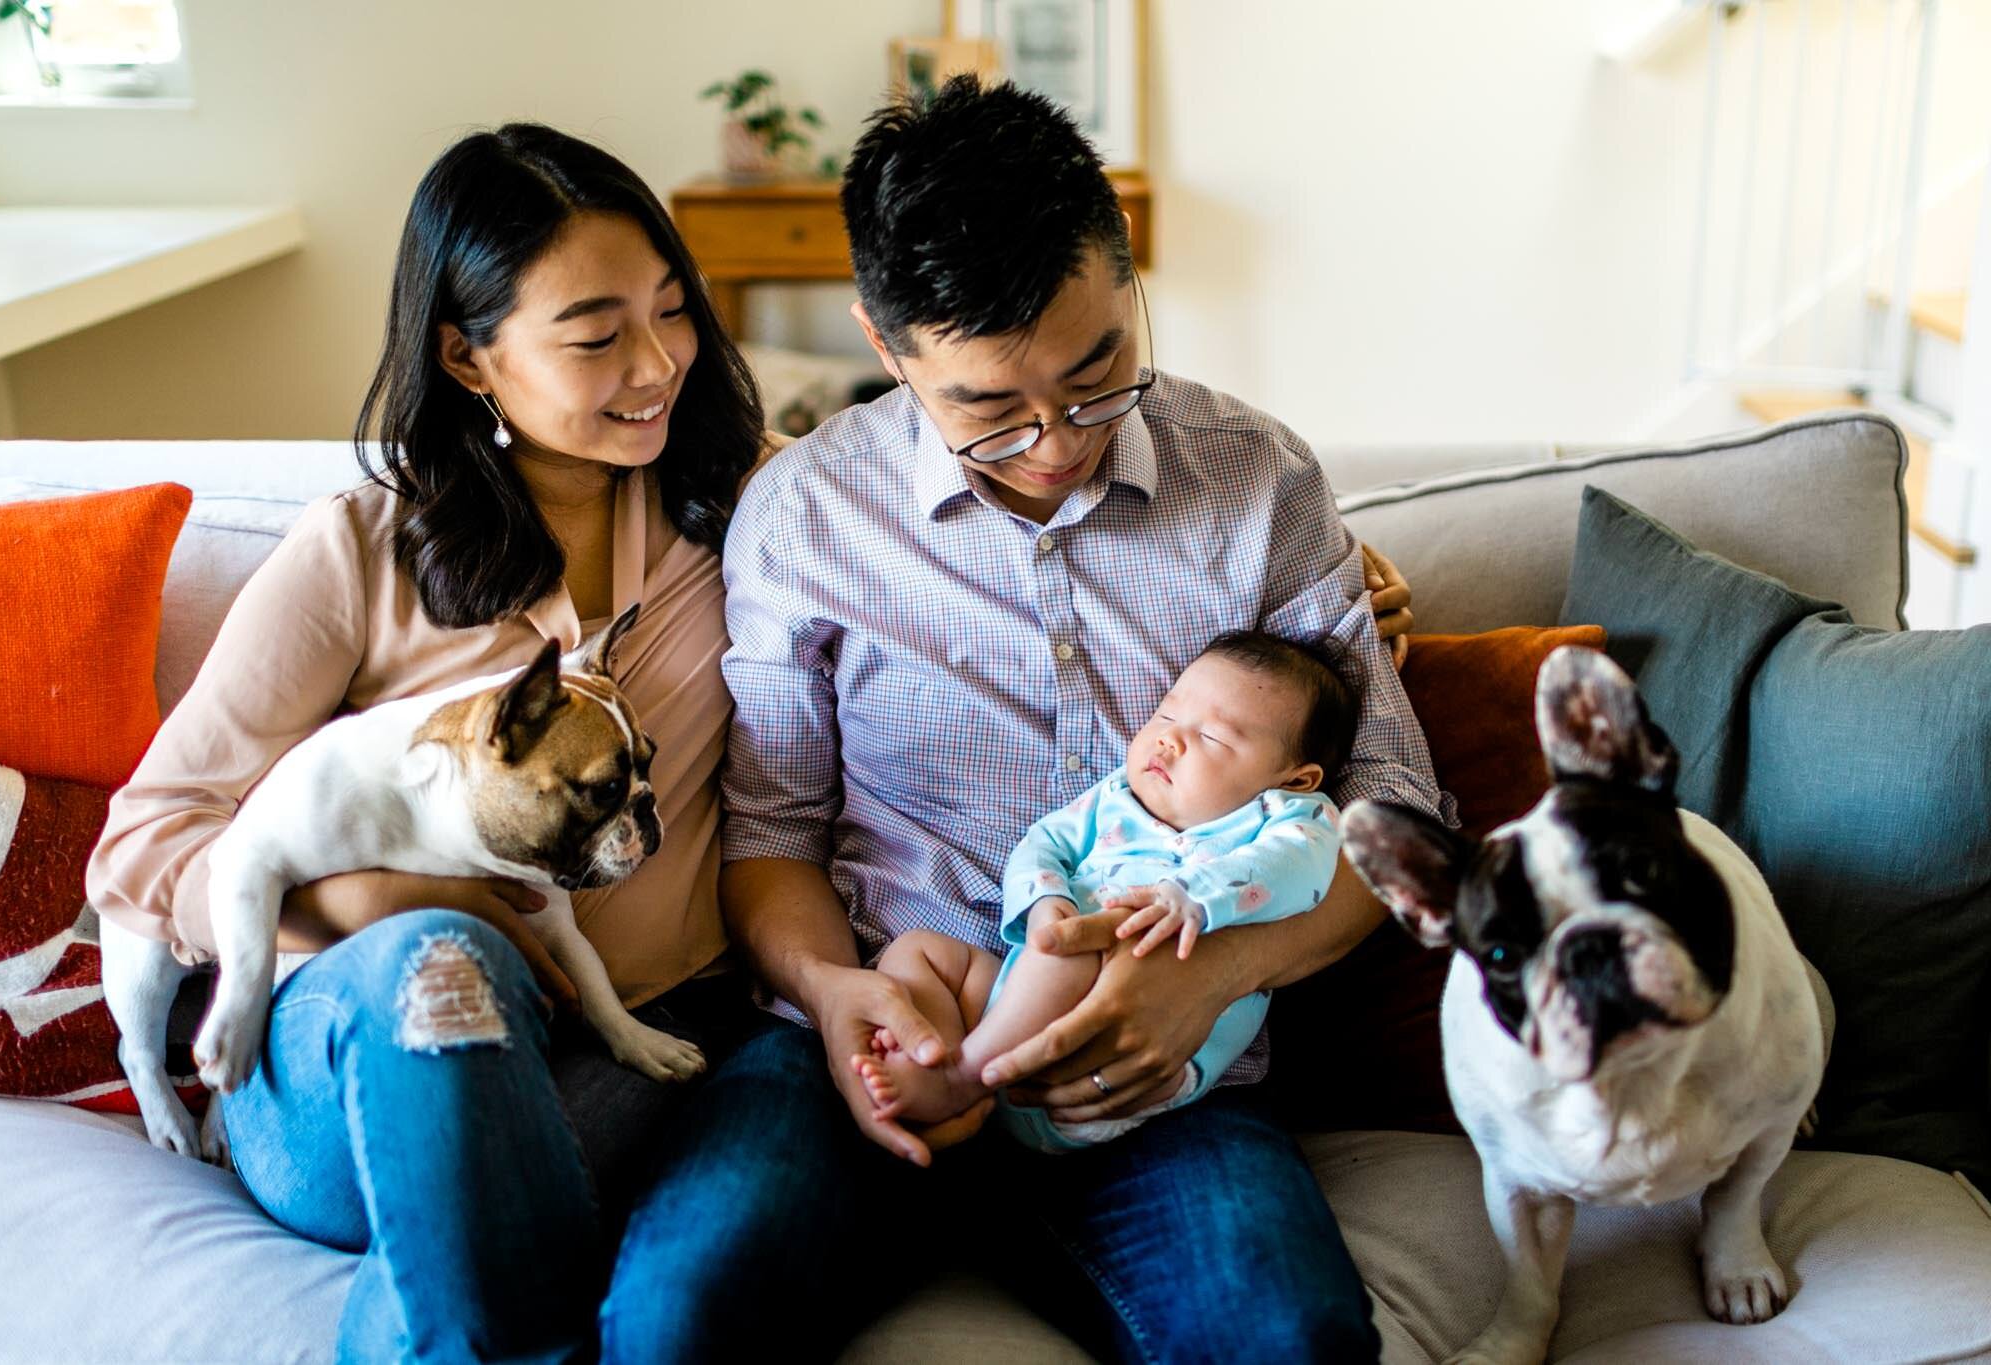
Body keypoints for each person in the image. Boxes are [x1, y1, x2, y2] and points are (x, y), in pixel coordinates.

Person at [604, 77, 1454, 1362]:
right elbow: (768, 837)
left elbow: (1395, 814)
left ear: (1125, 279)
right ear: (886, 351)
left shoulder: (1256, 478)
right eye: (987, 409)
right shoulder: (808, 516)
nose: (1055, 443)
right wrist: (836, 999)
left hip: (1160, 1070)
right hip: (881, 1030)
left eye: (1096, 370)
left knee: (1287, 1338)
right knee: (675, 1317)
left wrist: (1210, 980)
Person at [86, 123, 767, 1363]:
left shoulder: (754, 520)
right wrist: (370, 899)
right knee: (442, 958)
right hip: (347, 1068)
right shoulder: (361, 549)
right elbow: (146, 838)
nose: (659, 360)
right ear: (466, 356)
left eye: (673, 310)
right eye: (596, 332)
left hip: (625, 1042)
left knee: (560, 1250)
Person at [855, 630, 1358, 1153]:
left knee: (1076, 948)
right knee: (921, 951)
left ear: (1295, 779)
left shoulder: (1295, 817)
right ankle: (932, 1055)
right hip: (1015, 1007)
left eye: (1214, 737)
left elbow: (1296, 870)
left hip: (1126, 1058)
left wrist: (1190, 894)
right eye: (1166, 714)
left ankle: (962, 1080)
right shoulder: (1118, 794)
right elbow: (1044, 842)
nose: (1170, 739)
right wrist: (1047, 900)